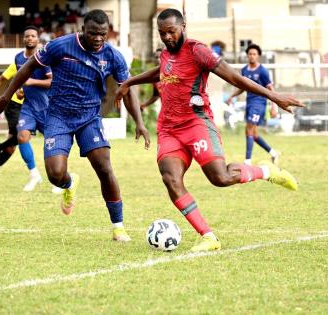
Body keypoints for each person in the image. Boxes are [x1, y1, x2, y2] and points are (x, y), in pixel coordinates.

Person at [115, 8, 303, 252]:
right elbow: (162, 72)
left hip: (196, 124)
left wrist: (273, 96)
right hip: (169, 129)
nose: (167, 37)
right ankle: (208, 237)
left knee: (221, 178)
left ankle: (267, 171)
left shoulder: (198, 51)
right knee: (171, 179)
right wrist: (130, 81)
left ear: (183, 26)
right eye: (162, 33)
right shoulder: (165, 54)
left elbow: (235, 78)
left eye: (171, 31)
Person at [0, 10, 150, 242]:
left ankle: (118, 226)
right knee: (55, 174)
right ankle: (69, 184)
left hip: (89, 118)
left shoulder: (113, 55)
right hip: (58, 117)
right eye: (93, 33)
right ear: (82, 30)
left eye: (103, 34)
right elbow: (28, 67)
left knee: (104, 167)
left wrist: (139, 122)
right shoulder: (60, 46)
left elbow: (128, 87)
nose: (98, 39)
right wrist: (4, 97)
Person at [0, 26, 54, 193]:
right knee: (21, 137)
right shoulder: (18, 59)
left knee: (13, 146)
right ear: (23, 38)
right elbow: (4, 78)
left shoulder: (44, 58)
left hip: (39, 105)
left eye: (33, 36)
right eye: (27, 36)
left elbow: (49, 81)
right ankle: (34, 174)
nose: (30, 39)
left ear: (38, 39)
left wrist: (28, 85)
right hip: (15, 105)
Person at [226, 44, 279, 165]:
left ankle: (247, 162)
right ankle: (273, 153)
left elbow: (271, 89)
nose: (252, 56)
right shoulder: (244, 70)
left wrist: (274, 106)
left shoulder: (263, 71)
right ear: (247, 56)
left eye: (254, 54)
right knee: (253, 134)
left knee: (249, 129)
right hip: (249, 103)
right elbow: (242, 87)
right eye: (250, 54)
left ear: (258, 56)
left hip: (259, 104)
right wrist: (232, 96)